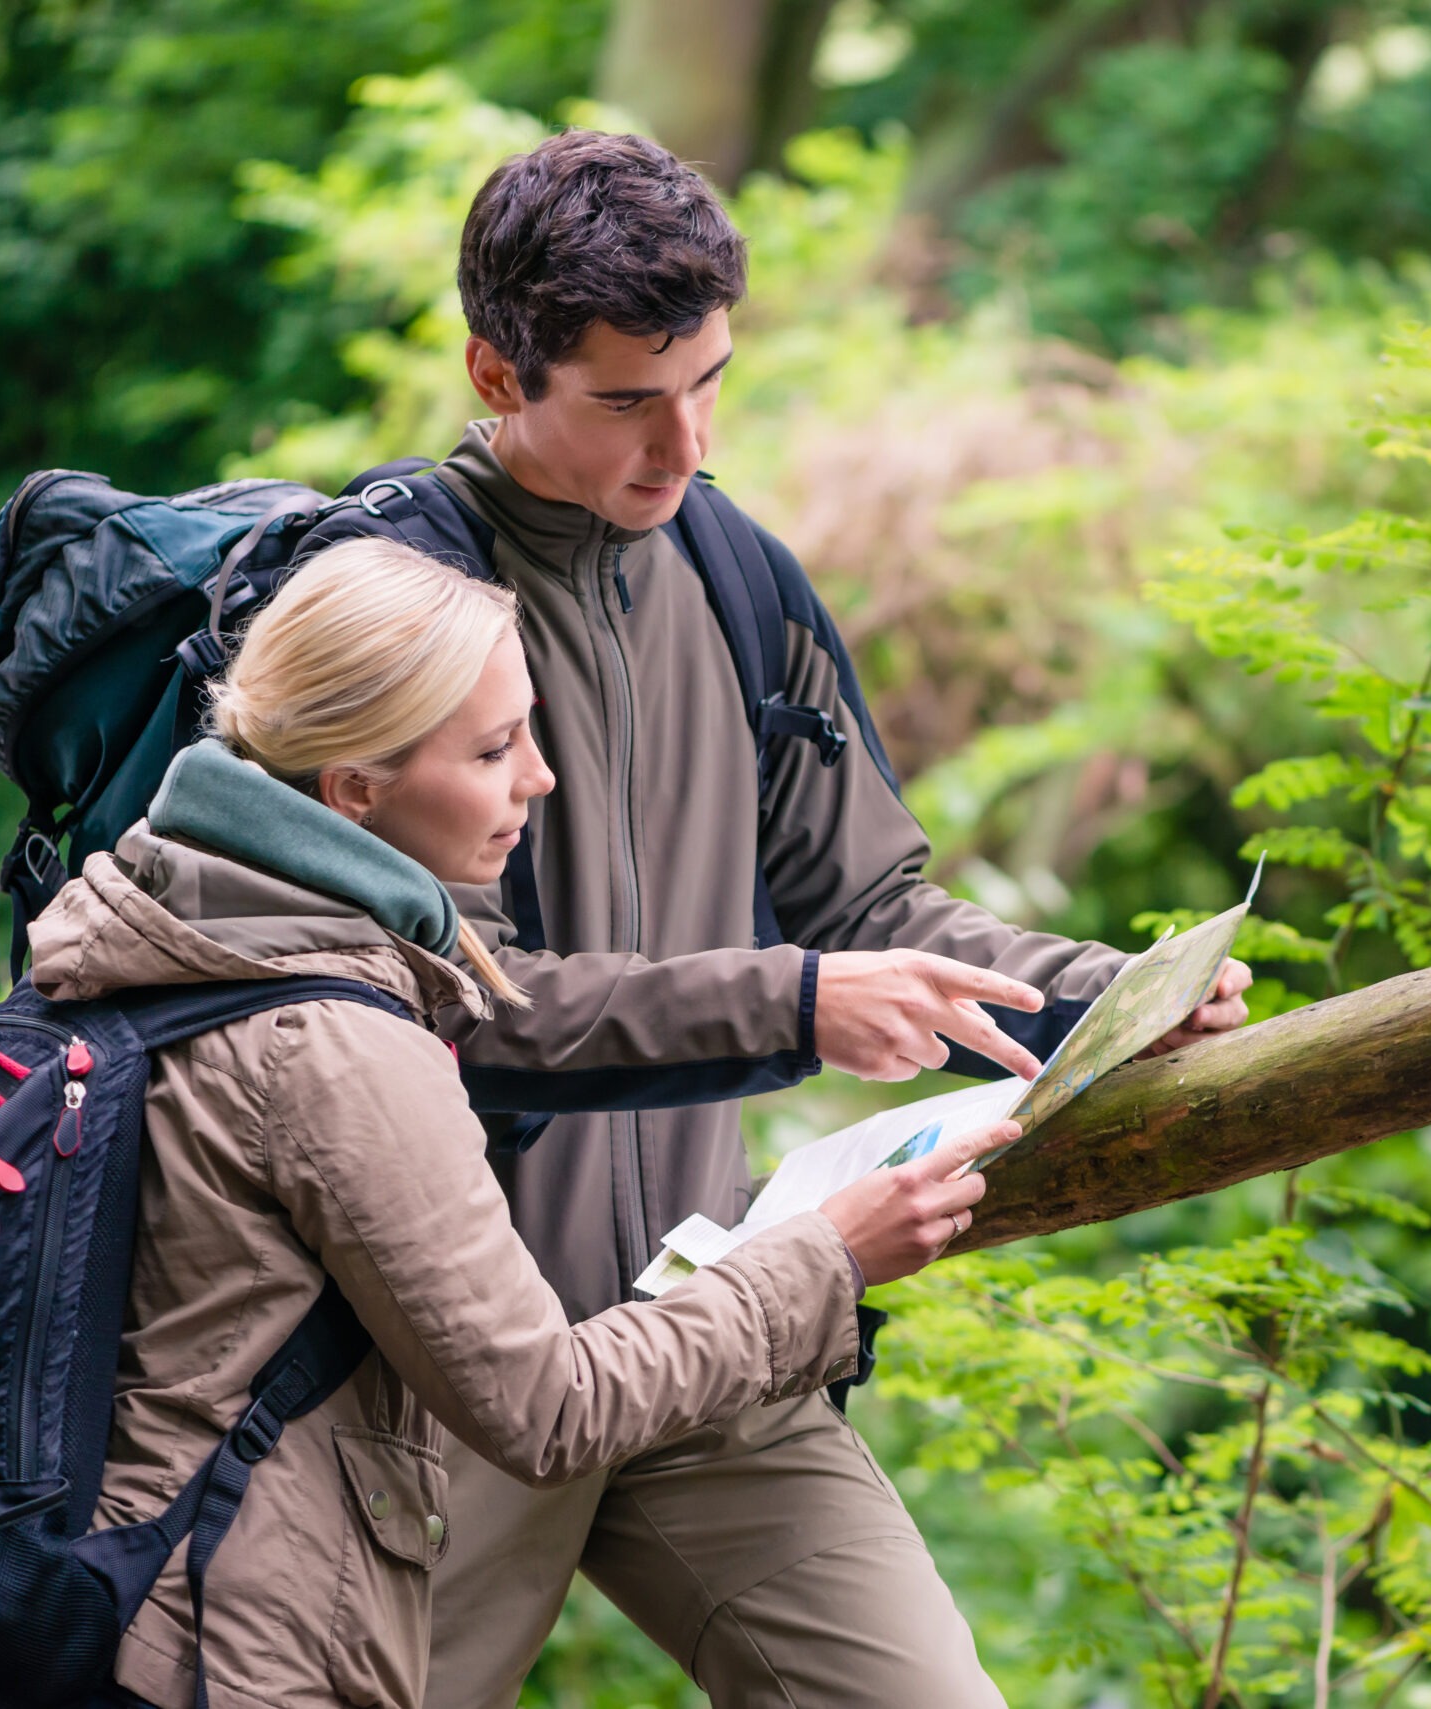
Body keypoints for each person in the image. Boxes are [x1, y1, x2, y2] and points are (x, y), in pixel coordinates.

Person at [410, 130, 1256, 1708]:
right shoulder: (390, 598)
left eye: (710, 383)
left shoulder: (737, 574)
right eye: (628, 401)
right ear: (497, 372)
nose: (683, 444)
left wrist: (1112, 996)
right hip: (442, 1372)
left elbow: (869, 901)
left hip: (706, 1316)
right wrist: (796, 1002)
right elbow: (451, 1006)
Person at [25, 536, 1012, 1709]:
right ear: (353, 789)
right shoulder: (334, 1040)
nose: (539, 778)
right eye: (494, 749)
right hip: (232, 1640)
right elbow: (549, 1406)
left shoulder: (152, 921)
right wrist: (831, 1254)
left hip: (140, 1596)